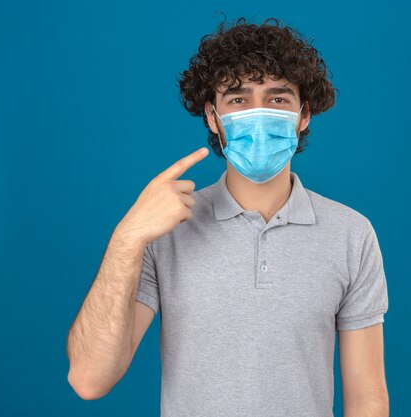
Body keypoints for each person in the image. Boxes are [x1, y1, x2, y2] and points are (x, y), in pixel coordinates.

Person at [67, 16, 389, 417]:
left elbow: (367, 398)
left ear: (303, 115)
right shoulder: (164, 231)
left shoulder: (351, 234)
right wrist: (127, 236)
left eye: (277, 99)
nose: (258, 114)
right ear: (213, 116)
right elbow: (89, 378)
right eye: (238, 99)